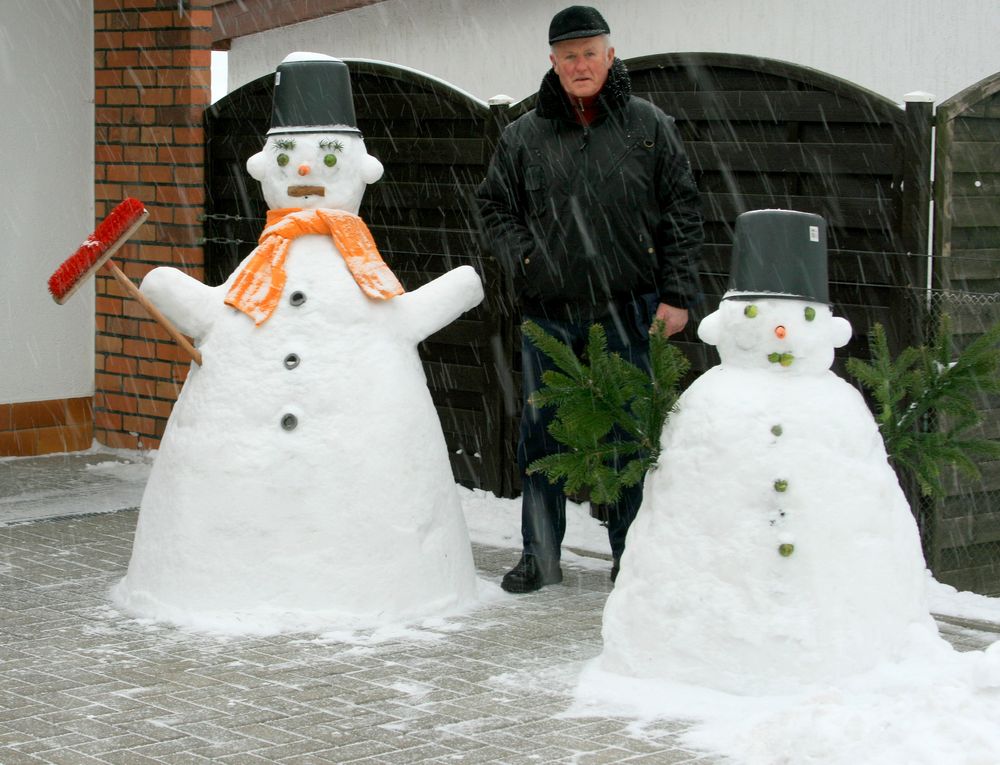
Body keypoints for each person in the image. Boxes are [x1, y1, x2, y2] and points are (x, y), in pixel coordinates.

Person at [476, 5, 704, 593]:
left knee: (629, 435)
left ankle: (631, 557)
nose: (580, 65)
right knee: (540, 435)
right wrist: (525, 259)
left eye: (590, 53)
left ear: (610, 54)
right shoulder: (523, 135)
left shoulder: (649, 128)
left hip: (629, 308)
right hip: (549, 314)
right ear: (553, 62)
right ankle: (539, 557)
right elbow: (493, 208)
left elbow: (683, 210)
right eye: (569, 55)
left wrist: (677, 294)